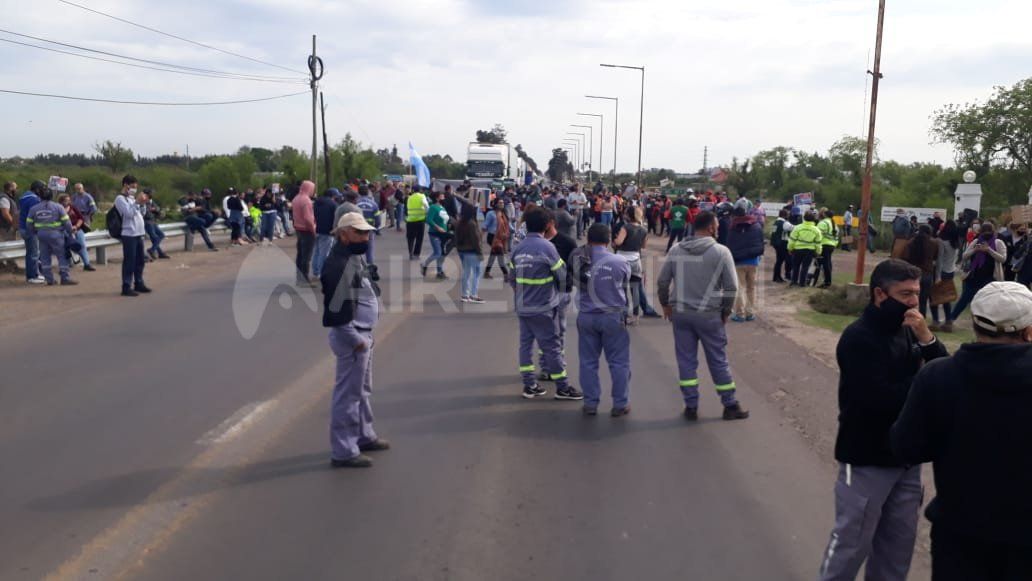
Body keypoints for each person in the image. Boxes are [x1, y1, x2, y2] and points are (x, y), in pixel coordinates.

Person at [816, 259, 947, 581]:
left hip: (905, 461)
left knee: (897, 548)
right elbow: (876, 398)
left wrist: (927, 337)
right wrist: (924, 389)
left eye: (917, 293)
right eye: (905, 294)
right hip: (866, 458)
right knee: (851, 545)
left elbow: (945, 372)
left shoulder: (909, 330)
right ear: (879, 295)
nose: (915, 301)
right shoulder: (858, 338)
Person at [891, 281, 1032, 580]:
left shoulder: (939, 376)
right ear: (1028, 331)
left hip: (959, 534)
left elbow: (906, 447)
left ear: (976, 323)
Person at [656, 211, 749, 421]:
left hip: (681, 314)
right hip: (709, 315)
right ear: (711, 228)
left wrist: (665, 304)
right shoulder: (721, 252)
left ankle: (691, 406)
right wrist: (726, 311)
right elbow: (732, 287)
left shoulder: (676, 249)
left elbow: (662, 281)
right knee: (717, 360)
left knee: (686, 361)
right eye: (716, 225)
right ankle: (730, 405)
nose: (718, 228)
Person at [320, 212, 388, 468]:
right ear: (344, 233)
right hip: (352, 335)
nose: (366, 236)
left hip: (362, 334)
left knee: (361, 391)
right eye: (359, 232)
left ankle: (363, 435)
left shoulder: (351, 258)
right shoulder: (337, 265)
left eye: (367, 232)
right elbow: (336, 312)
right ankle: (344, 450)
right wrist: (356, 339)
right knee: (347, 396)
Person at [508, 208, 582, 401]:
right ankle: (562, 387)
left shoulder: (518, 247)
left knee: (525, 345)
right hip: (544, 307)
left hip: (523, 306)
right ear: (548, 224)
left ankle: (529, 385)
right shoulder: (547, 247)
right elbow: (562, 275)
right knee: (552, 347)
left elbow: (512, 277)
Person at [573, 223, 632, 416]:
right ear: (608, 240)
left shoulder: (580, 262)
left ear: (588, 240)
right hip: (613, 317)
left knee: (588, 362)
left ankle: (590, 403)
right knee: (618, 362)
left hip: (587, 317)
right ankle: (620, 404)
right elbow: (625, 285)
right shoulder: (620, 261)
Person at [947, 222, 1007, 323]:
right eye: (984, 232)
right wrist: (975, 250)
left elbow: (1003, 259)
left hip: (990, 278)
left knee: (989, 302)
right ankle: (950, 320)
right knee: (964, 299)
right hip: (974, 276)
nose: (987, 234)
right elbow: (965, 256)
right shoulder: (976, 241)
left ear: (993, 232)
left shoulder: (998, 243)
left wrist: (989, 250)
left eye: (989, 232)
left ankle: (987, 323)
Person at [542, 208, 578, 377]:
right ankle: (545, 366)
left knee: (559, 330)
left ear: (551, 223)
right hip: (541, 293)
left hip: (561, 292)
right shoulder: (538, 243)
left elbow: (575, 268)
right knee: (544, 332)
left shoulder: (568, 243)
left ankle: (557, 364)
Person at [613, 205, 659, 323]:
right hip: (635, 260)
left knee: (622, 288)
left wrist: (614, 242)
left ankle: (624, 313)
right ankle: (635, 315)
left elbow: (619, 241)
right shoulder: (643, 229)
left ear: (629, 215)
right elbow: (643, 246)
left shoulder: (625, 227)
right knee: (635, 289)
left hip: (622, 259)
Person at [26, 187, 77, 286]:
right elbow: (66, 222)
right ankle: (65, 278)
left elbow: (28, 224)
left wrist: (35, 232)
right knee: (61, 256)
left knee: (44, 257)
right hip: (56, 235)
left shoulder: (34, 209)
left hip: (41, 236)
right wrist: (70, 231)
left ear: (40, 196)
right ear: (51, 196)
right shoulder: (58, 207)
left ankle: (49, 280)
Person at [725, 205, 764, 322]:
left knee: (740, 288)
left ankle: (740, 314)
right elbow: (761, 242)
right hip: (753, 260)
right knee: (751, 288)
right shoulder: (756, 226)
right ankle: (750, 313)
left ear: (735, 216)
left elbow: (729, 245)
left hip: (738, 262)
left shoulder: (732, 227)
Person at [115, 175, 150, 296]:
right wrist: (137, 202)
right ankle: (126, 286)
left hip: (138, 233)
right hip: (129, 234)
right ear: (126, 185)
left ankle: (139, 283)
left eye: (136, 187)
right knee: (129, 261)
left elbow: (141, 214)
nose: (135, 189)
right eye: (133, 186)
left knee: (140, 260)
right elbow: (129, 214)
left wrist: (143, 203)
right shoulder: (120, 199)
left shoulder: (131, 198)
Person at [901, 224, 940, 320]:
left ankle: (910, 316)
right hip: (927, 273)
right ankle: (921, 318)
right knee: (923, 299)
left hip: (913, 274)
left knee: (911, 298)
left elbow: (905, 258)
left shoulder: (911, 242)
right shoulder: (934, 243)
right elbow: (935, 257)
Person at [931, 220, 961, 332]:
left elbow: (939, 260)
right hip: (950, 271)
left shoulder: (941, 242)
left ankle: (935, 321)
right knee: (946, 297)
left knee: (934, 296)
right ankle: (948, 321)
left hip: (941, 271)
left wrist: (937, 276)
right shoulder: (956, 243)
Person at [455, 203, 484, 304]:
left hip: (462, 250)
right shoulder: (472, 223)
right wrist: (480, 253)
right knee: (476, 273)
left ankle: (465, 295)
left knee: (466, 273)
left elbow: (456, 237)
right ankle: (472, 294)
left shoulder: (459, 223)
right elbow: (476, 239)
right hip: (472, 251)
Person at [58, 194, 95, 271]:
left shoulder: (73, 208)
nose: (68, 202)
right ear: (61, 201)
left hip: (77, 229)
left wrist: (76, 226)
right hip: (64, 231)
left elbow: (81, 218)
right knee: (65, 248)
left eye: (69, 200)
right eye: (66, 200)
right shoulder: (58, 209)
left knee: (82, 246)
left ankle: (87, 264)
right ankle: (66, 266)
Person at [420, 190, 451, 280]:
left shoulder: (442, 207)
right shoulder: (433, 207)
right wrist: (438, 227)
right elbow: (428, 220)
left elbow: (445, 219)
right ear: (437, 198)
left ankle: (440, 272)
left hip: (444, 234)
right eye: (442, 196)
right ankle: (424, 265)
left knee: (442, 254)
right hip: (435, 233)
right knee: (437, 253)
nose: (444, 198)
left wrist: (448, 226)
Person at [18, 180, 45, 284]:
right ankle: (32, 276)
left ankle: (34, 274)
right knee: (33, 254)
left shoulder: (25, 196)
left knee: (32, 253)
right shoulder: (34, 199)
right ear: (37, 189)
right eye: (42, 189)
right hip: (30, 229)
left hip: (24, 227)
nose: (43, 191)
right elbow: (37, 215)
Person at [292, 180, 317, 285]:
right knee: (306, 256)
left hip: (298, 228)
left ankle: (299, 278)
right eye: (312, 189)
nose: (313, 191)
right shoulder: (306, 201)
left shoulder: (296, 198)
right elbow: (308, 218)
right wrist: (313, 230)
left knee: (300, 255)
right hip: (306, 230)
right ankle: (305, 279)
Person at [788, 211, 822, 287]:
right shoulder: (816, 230)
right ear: (813, 219)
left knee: (796, 266)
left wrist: (790, 248)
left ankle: (793, 282)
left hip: (797, 249)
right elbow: (818, 243)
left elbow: (792, 240)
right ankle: (802, 283)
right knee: (805, 267)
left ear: (804, 218)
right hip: (809, 251)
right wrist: (818, 252)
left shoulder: (798, 227)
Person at [312, 189, 338, 278]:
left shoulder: (316, 202)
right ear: (332, 195)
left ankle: (315, 271)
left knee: (316, 252)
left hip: (315, 229)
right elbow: (335, 218)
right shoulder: (332, 204)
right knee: (324, 253)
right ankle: (321, 272)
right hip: (327, 231)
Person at [138, 189, 169, 260]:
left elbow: (157, 208)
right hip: (147, 222)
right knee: (155, 238)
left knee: (161, 235)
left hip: (153, 221)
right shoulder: (142, 201)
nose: (152, 195)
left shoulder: (151, 201)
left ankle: (155, 251)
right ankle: (154, 251)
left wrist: (155, 209)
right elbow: (144, 213)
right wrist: (152, 209)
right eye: (151, 193)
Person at [355, 185, 381, 265]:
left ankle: (358, 269)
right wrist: (375, 228)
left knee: (357, 250)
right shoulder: (374, 204)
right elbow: (378, 219)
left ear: (358, 192)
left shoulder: (355, 203)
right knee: (369, 251)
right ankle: (370, 269)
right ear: (368, 192)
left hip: (357, 230)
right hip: (369, 230)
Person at [816, 209, 839, 288]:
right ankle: (827, 281)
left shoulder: (823, 223)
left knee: (821, 263)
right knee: (827, 263)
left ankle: (826, 282)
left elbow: (817, 234)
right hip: (831, 245)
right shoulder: (834, 224)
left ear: (825, 215)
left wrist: (816, 244)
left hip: (824, 245)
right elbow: (836, 236)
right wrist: (835, 244)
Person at [405, 186, 429, 260]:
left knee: (410, 238)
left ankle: (410, 253)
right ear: (420, 190)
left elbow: (407, 209)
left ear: (413, 190)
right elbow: (427, 207)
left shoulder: (409, 198)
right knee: (419, 238)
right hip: (420, 221)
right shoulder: (422, 196)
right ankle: (416, 254)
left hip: (410, 221)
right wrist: (426, 213)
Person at [771, 209, 792, 283]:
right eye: (787, 214)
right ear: (785, 215)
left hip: (775, 243)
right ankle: (786, 275)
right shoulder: (785, 223)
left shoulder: (776, 222)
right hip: (782, 243)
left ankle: (776, 276)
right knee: (788, 260)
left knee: (779, 261)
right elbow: (793, 228)